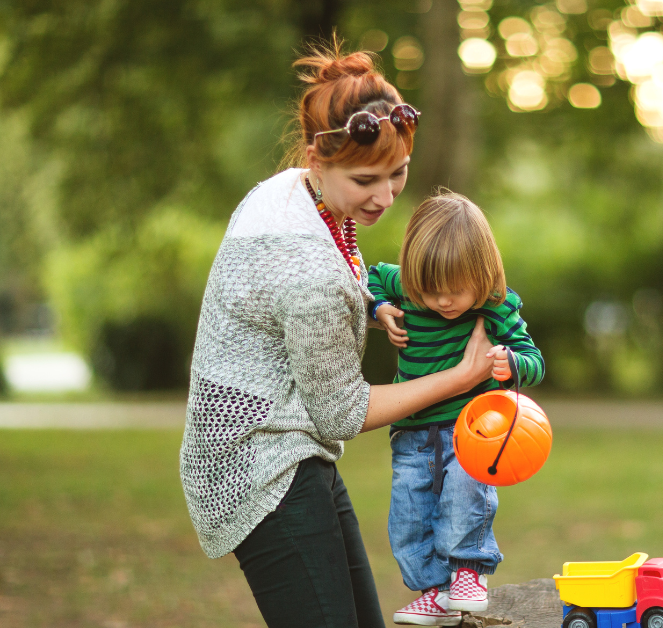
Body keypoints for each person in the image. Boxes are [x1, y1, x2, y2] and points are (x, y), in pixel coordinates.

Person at [178, 44, 498, 628]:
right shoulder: (303, 265)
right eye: (364, 180)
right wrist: (462, 376)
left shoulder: (294, 194)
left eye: (398, 172)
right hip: (258, 465)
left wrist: (374, 306)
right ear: (316, 158)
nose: (383, 196)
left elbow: (331, 288)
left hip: (298, 447)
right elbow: (343, 412)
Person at [367, 193, 545, 626]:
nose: (443, 302)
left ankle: (468, 572)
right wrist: (379, 308)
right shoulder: (406, 286)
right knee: (409, 514)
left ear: (481, 276)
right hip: (410, 434)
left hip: (472, 431)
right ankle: (434, 592)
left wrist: (511, 363)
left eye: (455, 292)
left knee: (465, 499)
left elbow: (535, 361)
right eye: (429, 292)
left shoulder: (496, 304)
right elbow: (370, 276)